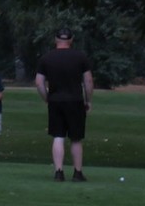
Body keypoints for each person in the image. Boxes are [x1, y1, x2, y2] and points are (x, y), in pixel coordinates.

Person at [35, 27, 94, 182]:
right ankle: (77, 172)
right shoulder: (80, 57)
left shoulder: (46, 58)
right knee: (75, 138)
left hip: (55, 100)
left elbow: (39, 82)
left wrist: (46, 97)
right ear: (71, 40)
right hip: (75, 101)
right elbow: (88, 81)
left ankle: (59, 172)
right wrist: (88, 100)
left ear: (56, 40)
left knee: (58, 136)